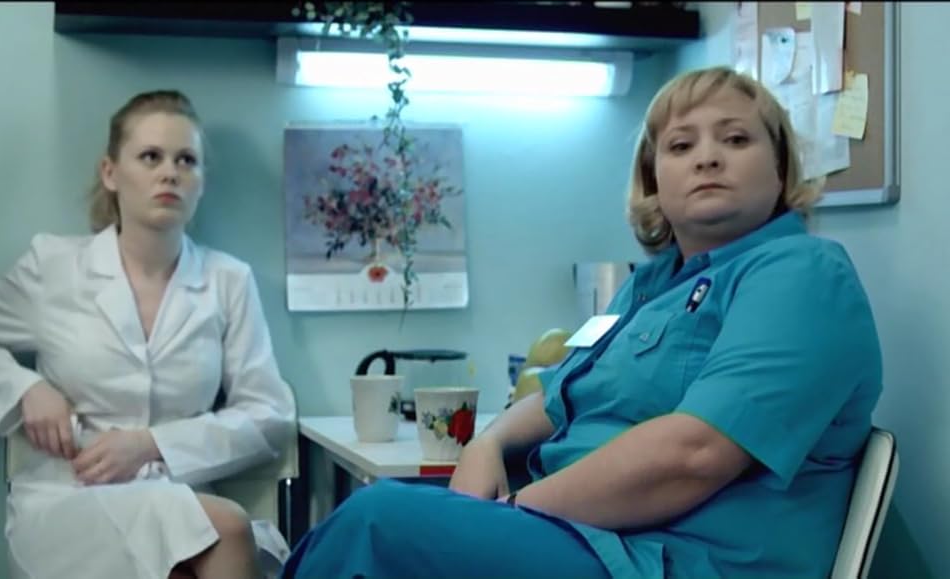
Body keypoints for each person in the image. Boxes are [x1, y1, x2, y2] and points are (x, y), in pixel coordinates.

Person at [281, 66, 883, 578]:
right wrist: (487, 443)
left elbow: (695, 453)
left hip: (672, 559)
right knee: (380, 514)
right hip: (584, 535)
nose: (708, 157)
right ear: (654, 181)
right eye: (680, 146)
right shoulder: (649, 285)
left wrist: (511, 511)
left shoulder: (802, 275)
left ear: (781, 169)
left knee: (376, 523)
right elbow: (558, 391)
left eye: (736, 138)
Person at [0, 90, 296, 579]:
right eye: (151, 156)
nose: (170, 173)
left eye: (186, 160)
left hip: (177, 494)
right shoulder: (54, 267)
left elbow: (269, 414)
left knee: (202, 544)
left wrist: (151, 444)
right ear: (111, 173)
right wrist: (25, 389)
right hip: (71, 499)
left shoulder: (228, 280)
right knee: (227, 529)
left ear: (201, 182)